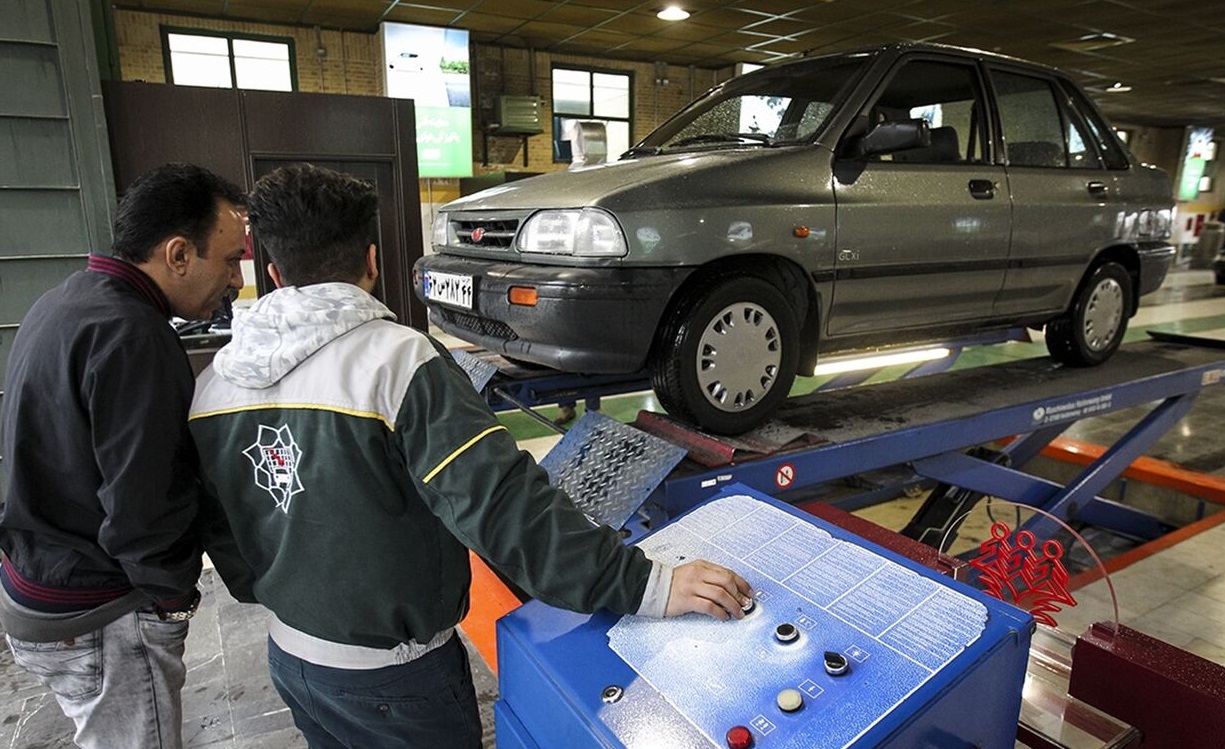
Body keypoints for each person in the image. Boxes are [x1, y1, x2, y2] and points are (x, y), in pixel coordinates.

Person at [188, 163, 753, 749]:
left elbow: (222, 531)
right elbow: (506, 511)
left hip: (292, 661)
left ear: (274, 274)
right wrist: (648, 586)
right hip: (398, 681)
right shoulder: (399, 364)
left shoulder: (214, 385)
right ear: (373, 261)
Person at [0, 163, 248, 748]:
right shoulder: (133, 334)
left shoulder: (67, 300)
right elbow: (145, 503)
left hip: (36, 582)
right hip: (95, 613)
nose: (236, 279)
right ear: (179, 254)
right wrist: (172, 602)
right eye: (230, 258)